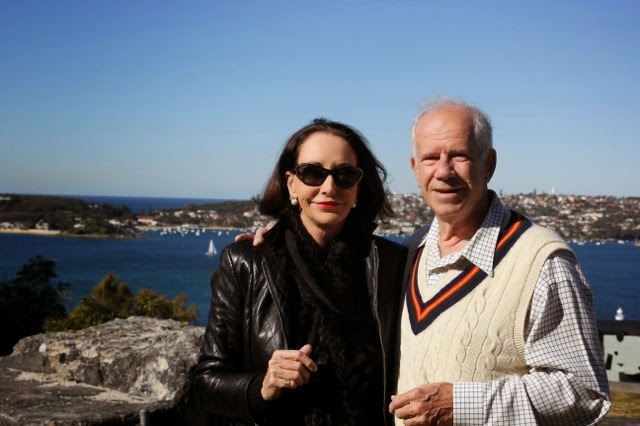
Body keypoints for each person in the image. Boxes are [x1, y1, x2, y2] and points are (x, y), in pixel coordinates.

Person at [389, 96, 611, 425]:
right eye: (431, 158)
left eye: (459, 156)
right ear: (414, 168)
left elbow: (584, 391)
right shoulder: (411, 250)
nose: (443, 171)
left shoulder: (541, 261)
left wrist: (462, 404)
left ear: (488, 164)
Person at [192, 118, 406, 425]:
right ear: (292, 183)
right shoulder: (246, 263)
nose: (329, 187)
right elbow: (205, 382)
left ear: (358, 188)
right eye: (313, 173)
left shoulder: (390, 264)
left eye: (345, 174)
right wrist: (263, 385)